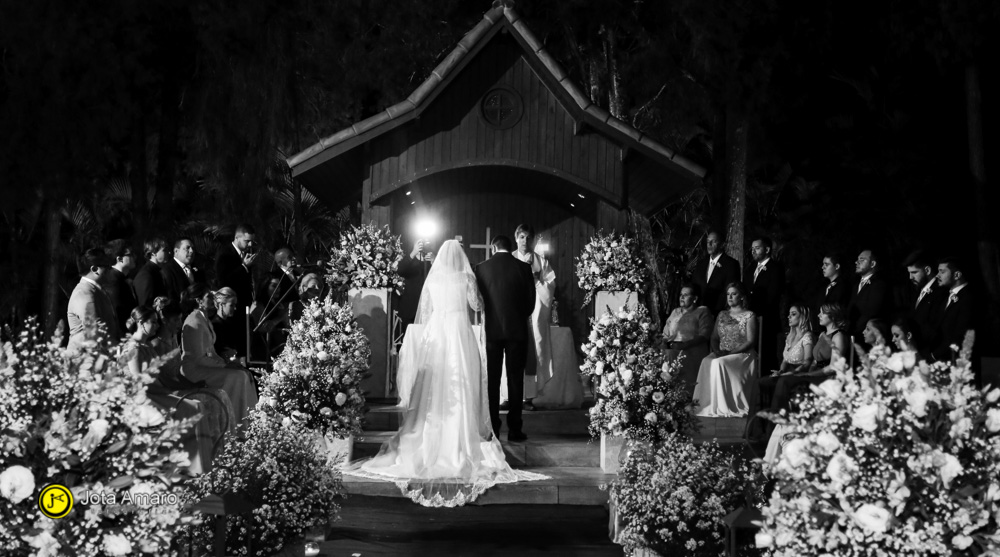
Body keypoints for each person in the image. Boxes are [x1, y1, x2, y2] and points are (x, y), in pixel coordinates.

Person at [348, 239, 544, 507]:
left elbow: (426, 310)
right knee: (461, 381)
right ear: (460, 257)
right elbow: (477, 305)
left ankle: (433, 430)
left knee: (435, 383)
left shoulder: (433, 278)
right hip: (460, 334)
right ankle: (462, 432)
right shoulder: (465, 277)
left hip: (437, 336)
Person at [475, 235, 536, 441]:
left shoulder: (481, 268)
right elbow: (530, 305)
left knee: (492, 380)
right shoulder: (524, 268)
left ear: (493, 247)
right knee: (515, 380)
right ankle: (515, 430)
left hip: (492, 331)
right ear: (511, 248)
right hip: (517, 332)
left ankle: (493, 428)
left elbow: (478, 301)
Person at [180, 283, 258, 426]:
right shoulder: (194, 321)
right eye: (208, 296)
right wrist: (225, 366)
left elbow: (212, 353)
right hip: (194, 369)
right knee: (235, 377)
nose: (212, 298)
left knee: (244, 374)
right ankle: (231, 424)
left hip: (205, 365)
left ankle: (249, 423)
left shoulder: (203, 318)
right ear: (199, 301)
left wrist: (228, 364)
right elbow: (198, 358)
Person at [767, 303, 849, 417]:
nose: (819, 315)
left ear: (833, 316)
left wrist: (809, 375)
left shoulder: (838, 336)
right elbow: (815, 361)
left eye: (822, 313)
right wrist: (807, 373)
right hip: (816, 374)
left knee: (785, 381)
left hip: (828, 378)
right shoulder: (822, 335)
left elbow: (833, 368)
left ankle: (779, 419)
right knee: (783, 380)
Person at [693, 282, 759, 417]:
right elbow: (714, 337)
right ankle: (705, 404)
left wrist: (730, 353)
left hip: (742, 354)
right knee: (706, 361)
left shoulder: (749, 315)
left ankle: (723, 406)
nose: (730, 297)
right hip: (723, 352)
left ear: (742, 297)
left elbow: (750, 341)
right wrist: (716, 351)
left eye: (734, 294)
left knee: (719, 363)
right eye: (728, 294)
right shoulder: (722, 314)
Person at [511, 224, 556, 409]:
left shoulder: (540, 261)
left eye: (528, 237)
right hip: (513, 314)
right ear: (516, 238)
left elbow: (550, 286)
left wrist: (535, 278)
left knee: (532, 354)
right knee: (511, 355)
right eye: (521, 237)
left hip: (533, 316)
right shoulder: (509, 259)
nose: (525, 241)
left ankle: (528, 397)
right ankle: (509, 396)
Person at [659, 282, 713, 396]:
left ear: (695, 298)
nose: (682, 297)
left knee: (669, 354)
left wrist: (685, 345)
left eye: (686, 295)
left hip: (692, 350)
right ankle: (660, 393)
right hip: (673, 348)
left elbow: (705, 335)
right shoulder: (675, 312)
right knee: (655, 353)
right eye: (681, 295)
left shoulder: (702, 311)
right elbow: (665, 333)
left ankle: (678, 394)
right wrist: (663, 342)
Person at [67, 248, 121, 351]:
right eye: (108, 267)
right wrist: (120, 349)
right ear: (95, 269)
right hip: (84, 361)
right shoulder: (84, 293)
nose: (111, 270)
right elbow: (95, 329)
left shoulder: (95, 290)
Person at [745, 236, 784, 373]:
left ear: (767, 249)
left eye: (757, 248)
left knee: (766, 355)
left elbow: (773, 294)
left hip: (766, 319)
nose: (753, 251)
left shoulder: (775, 268)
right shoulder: (750, 269)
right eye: (752, 249)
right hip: (750, 318)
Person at [931, 257, 975, 363]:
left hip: (958, 363)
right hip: (942, 361)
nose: (937, 275)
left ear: (957, 275)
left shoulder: (969, 299)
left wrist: (933, 356)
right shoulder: (945, 297)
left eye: (942, 272)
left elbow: (959, 335)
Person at [215, 224, 258, 322]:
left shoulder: (247, 253)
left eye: (252, 241)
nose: (250, 244)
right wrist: (244, 267)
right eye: (247, 241)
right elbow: (223, 281)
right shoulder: (224, 254)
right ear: (237, 238)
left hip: (245, 306)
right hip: (230, 307)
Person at [692, 230, 741, 314]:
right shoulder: (701, 264)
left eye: (713, 241)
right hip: (699, 313)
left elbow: (730, 290)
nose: (709, 244)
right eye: (708, 241)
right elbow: (694, 286)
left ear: (722, 245)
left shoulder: (731, 264)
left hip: (718, 313)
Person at [847, 249, 889, 338]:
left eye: (861, 260)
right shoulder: (855, 285)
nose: (856, 262)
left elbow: (872, 312)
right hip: (852, 335)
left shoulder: (879, 284)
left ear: (872, 264)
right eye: (857, 260)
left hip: (867, 337)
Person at [397, 238, 432, 330]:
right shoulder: (409, 259)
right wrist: (413, 252)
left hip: (426, 306)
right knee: (408, 337)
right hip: (410, 306)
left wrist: (434, 262)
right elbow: (400, 271)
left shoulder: (430, 259)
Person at [103, 240, 138, 334]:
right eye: (131, 254)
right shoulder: (114, 283)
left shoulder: (120, 279)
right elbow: (119, 315)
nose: (135, 257)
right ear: (119, 259)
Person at [162, 237, 204, 303]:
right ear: (176, 251)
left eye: (193, 248)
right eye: (187, 248)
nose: (191, 251)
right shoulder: (167, 271)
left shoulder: (197, 269)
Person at [134, 238, 169, 308]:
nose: (169, 252)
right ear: (153, 253)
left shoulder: (156, 270)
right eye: (164, 250)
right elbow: (145, 305)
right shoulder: (146, 275)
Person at [212, 287, 244, 361]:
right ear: (221, 304)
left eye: (235, 305)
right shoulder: (215, 325)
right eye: (231, 305)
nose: (235, 308)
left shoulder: (232, 323)